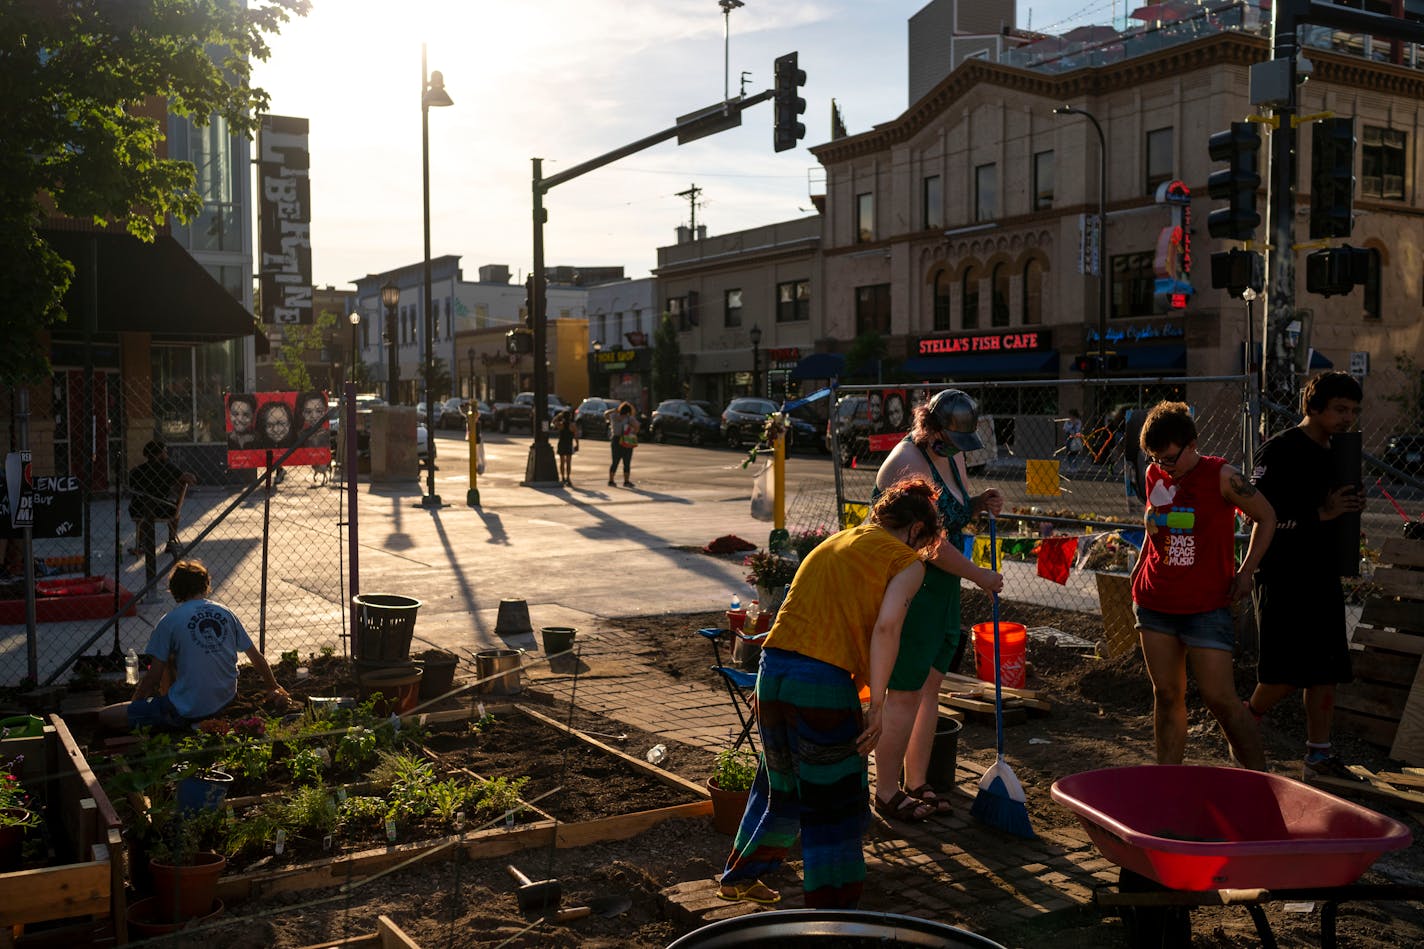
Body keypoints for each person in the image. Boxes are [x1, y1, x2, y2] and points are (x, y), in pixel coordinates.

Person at [718, 477, 941, 908]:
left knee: (778, 787)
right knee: (834, 800)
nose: (921, 552)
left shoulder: (838, 541)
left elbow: (792, 610)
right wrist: (877, 705)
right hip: (821, 682)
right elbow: (887, 627)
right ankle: (833, 908)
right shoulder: (905, 561)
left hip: (774, 668)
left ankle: (740, 877)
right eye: (924, 542)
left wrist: (770, 689)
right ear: (916, 529)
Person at [871, 389, 1004, 818]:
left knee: (931, 689)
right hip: (913, 587)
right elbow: (927, 540)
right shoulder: (906, 463)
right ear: (930, 427)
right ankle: (887, 791)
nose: (954, 449)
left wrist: (980, 503)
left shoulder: (952, 454)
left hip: (944, 591)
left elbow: (955, 512)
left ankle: (917, 781)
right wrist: (980, 575)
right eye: (948, 439)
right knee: (905, 692)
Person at [1130, 401, 1275, 770]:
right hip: (1155, 601)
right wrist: (1139, 567)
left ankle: (1262, 783)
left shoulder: (1222, 477)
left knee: (1221, 699)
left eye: (1170, 458)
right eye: (1156, 459)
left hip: (1206, 607)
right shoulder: (1155, 474)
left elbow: (1266, 517)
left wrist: (1246, 573)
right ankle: (1167, 782)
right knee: (1166, 694)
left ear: (1193, 444)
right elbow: (1155, 524)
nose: (1164, 467)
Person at [1248, 371, 1365, 779]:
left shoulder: (1341, 453)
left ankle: (1318, 756)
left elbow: (1334, 510)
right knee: (1287, 672)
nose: (1347, 418)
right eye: (1339, 409)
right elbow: (1260, 518)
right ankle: (1244, 719)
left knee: (1327, 669)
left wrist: (1348, 514)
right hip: (1282, 573)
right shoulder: (1279, 451)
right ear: (1313, 408)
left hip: (1323, 572)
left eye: (1353, 410)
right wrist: (1322, 514)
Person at [98, 560, 292, 733]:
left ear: (174, 590)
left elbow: (152, 678)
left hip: (186, 709)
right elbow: (256, 657)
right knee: (172, 658)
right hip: (225, 698)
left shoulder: (169, 621)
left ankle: (172, 715)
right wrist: (273, 686)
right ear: (206, 585)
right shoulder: (226, 613)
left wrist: (135, 707)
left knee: (105, 717)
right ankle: (177, 709)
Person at [127, 440, 197, 557]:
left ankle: (141, 544)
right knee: (175, 512)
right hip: (160, 508)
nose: (167, 455)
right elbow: (190, 480)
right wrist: (181, 481)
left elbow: (131, 485)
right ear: (159, 454)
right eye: (165, 452)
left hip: (137, 508)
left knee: (144, 515)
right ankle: (171, 540)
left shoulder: (138, 470)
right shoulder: (167, 468)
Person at [608, 401, 640, 488]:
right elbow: (637, 426)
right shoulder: (630, 418)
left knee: (615, 461)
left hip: (615, 439)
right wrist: (632, 431)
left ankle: (611, 480)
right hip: (626, 439)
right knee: (627, 462)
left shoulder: (614, 416)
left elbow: (605, 414)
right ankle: (626, 481)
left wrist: (614, 410)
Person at [555, 411, 579, 487]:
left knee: (562, 462)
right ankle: (568, 477)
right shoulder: (572, 426)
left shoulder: (561, 425)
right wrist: (577, 444)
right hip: (569, 444)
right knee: (568, 462)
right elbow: (576, 436)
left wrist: (558, 416)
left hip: (561, 444)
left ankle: (563, 477)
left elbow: (553, 422)